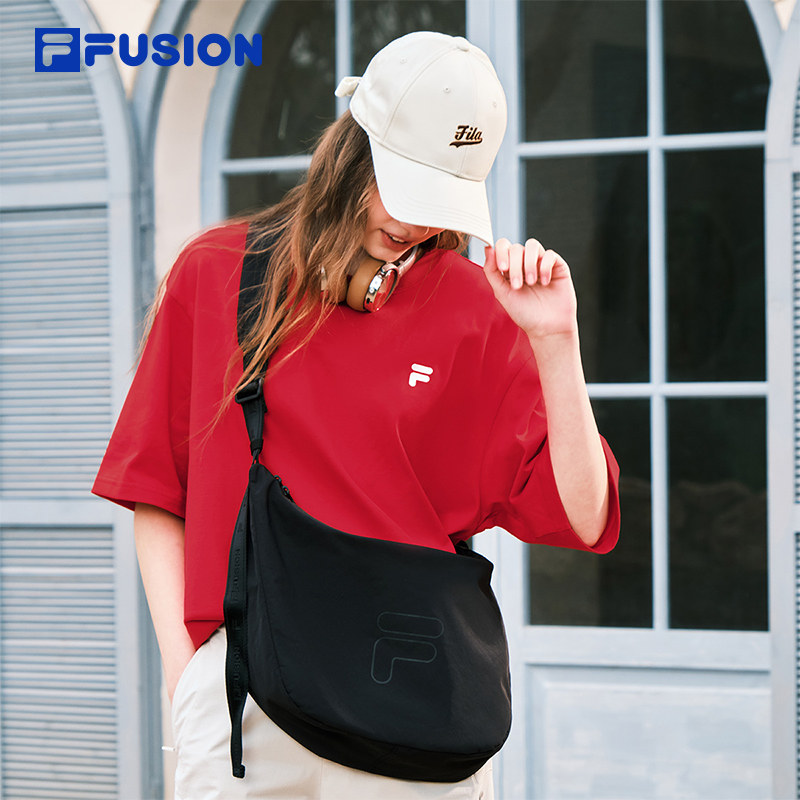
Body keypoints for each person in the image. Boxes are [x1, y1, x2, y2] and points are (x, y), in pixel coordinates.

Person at [93, 31, 620, 800]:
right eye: (403, 184)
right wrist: (191, 677)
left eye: (437, 197)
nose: (414, 223)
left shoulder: (478, 308)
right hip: (246, 707)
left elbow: (584, 515)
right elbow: (156, 493)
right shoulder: (218, 274)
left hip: (414, 703)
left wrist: (556, 339)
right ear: (351, 149)